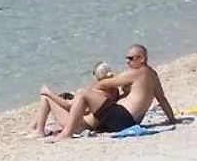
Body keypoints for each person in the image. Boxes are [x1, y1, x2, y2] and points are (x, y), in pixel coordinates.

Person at [34, 45, 177, 139]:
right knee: (83, 95)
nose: (127, 62)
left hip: (122, 117)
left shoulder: (138, 72)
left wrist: (93, 89)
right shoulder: (152, 74)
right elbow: (162, 98)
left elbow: (105, 83)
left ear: (142, 59)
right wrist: (172, 119)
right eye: (126, 58)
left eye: (131, 59)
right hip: (130, 121)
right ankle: (43, 130)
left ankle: (66, 134)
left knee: (82, 92)